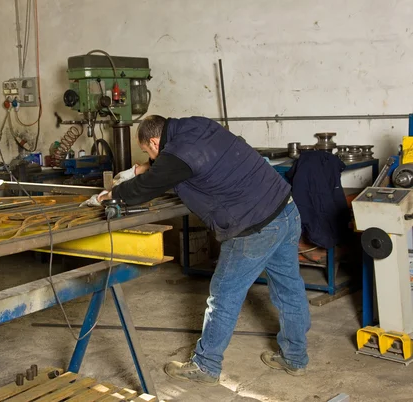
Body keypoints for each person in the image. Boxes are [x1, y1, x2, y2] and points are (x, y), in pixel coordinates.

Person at [87, 115, 311, 385]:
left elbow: (149, 185)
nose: (150, 156)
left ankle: (206, 365)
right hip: (285, 209)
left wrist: (114, 195)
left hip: (254, 227)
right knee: (289, 290)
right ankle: (295, 358)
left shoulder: (179, 153)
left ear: (155, 142)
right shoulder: (196, 125)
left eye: (148, 151)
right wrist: (140, 168)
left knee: (224, 296)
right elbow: (171, 165)